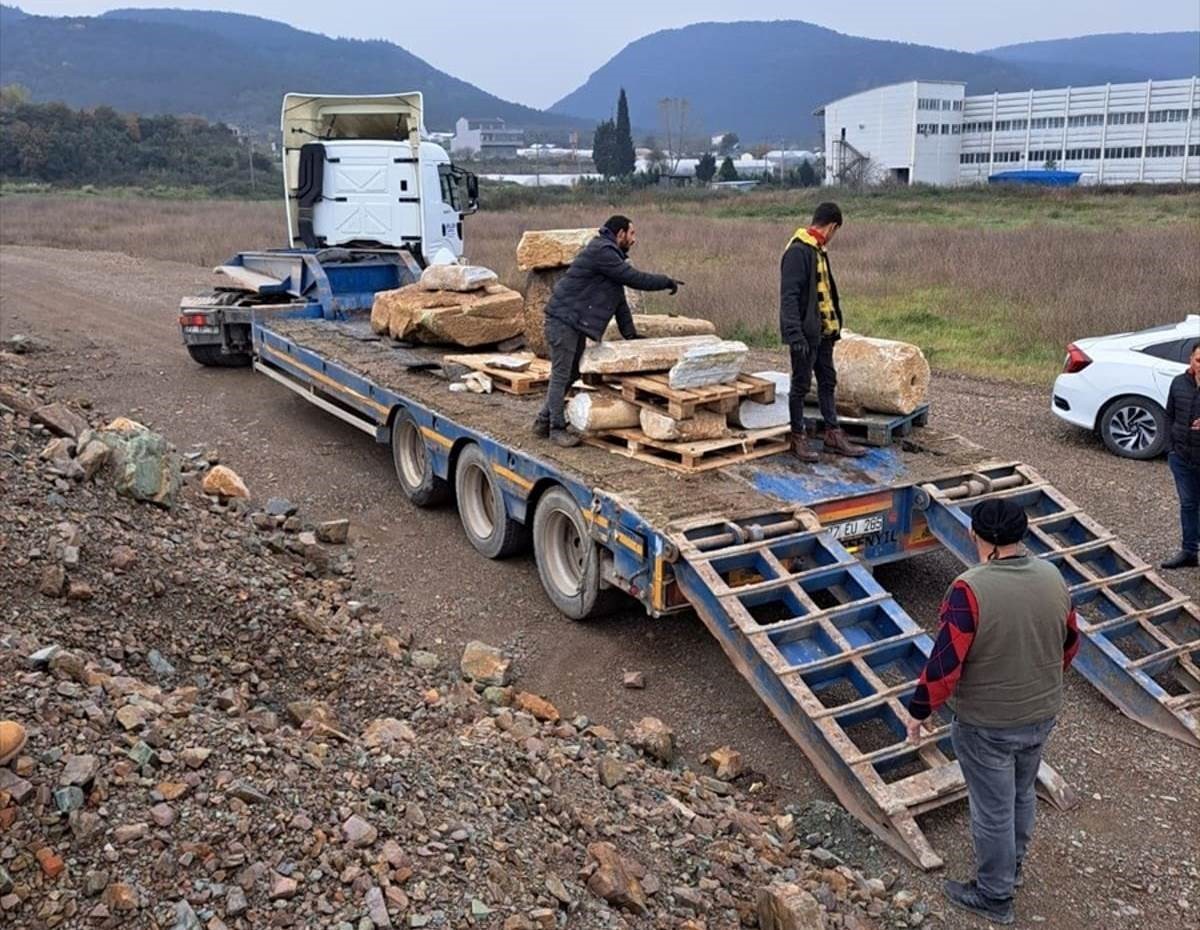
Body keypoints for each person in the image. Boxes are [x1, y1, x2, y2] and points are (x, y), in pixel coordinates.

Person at [905, 498, 1080, 926]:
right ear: (1022, 534)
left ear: (975, 535)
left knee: (992, 809)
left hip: (987, 724)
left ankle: (994, 895)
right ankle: (1013, 870)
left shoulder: (970, 589)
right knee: (1021, 794)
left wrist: (920, 710)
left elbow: (946, 662)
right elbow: (1071, 642)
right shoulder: (1052, 576)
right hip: (1041, 713)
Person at [532, 216, 681, 447]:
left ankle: (543, 421)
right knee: (561, 375)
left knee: (570, 375)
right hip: (563, 321)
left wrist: (630, 334)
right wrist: (665, 281)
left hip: (572, 322)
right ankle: (556, 429)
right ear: (620, 234)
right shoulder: (602, 251)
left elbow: (618, 299)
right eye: (632, 234)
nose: (635, 239)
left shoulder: (609, 256)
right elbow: (634, 279)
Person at [779, 201, 866, 462]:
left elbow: (826, 293)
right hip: (805, 334)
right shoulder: (798, 251)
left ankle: (832, 433)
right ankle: (798, 437)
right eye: (835, 230)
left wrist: (834, 326)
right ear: (832, 226)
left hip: (824, 333)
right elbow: (789, 297)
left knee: (827, 382)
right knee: (801, 385)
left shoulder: (819, 250)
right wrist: (794, 334)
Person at [1162, 342, 1200, 569]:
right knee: (1188, 505)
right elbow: (1169, 416)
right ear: (1190, 360)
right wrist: (1171, 449)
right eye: (1199, 360)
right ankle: (1189, 552)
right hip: (1182, 458)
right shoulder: (1178, 383)